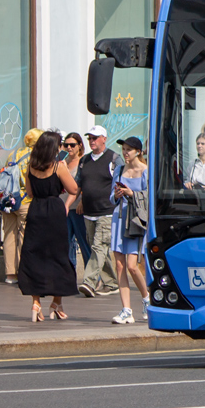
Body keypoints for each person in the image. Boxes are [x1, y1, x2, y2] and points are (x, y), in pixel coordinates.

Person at [17, 130, 79, 321]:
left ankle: (36, 303)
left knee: (35, 255)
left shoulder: (31, 167)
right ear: (54, 147)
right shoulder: (58, 166)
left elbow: (29, 191)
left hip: (36, 211)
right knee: (58, 256)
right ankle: (56, 302)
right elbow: (74, 189)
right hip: (54, 211)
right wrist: (65, 173)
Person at [74, 125, 120, 298]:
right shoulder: (84, 161)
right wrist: (72, 202)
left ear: (104, 139)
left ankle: (89, 282)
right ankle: (112, 283)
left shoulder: (114, 159)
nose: (92, 141)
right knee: (99, 248)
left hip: (106, 212)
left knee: (99, 246)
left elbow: (121, 181)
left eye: (95, 137)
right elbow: (78, 184)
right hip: (89, 212)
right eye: (90, 138)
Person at [110, 137, 150, 324]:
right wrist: (117, 195)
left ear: (138, 152)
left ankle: (146, 298)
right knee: (119, 265)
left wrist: (131, 194)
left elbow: (148, 198)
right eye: (124, 149)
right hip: (119, 218)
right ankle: (126, 309)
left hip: (134, 221)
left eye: (129, 150)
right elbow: (111, 197)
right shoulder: (119, 170)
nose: (125, 153)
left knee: (133, 266)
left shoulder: (145, 171)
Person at [1, 128, 41, 285]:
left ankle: (10, 275)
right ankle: (23, 272)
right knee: (24, 237)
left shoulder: (13, 154)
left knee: (9, 236)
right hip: (25, 201)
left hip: (8, 200)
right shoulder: (35, 157)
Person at [61, 133, 91, 269]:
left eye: (72, 145)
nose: (68, 148)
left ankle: (91, 278)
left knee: (84, 243)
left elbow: (87, 183)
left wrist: (83, 201)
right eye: (65, 145)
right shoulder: (62, 162)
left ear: (79, 146)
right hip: (63, 207)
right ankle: (69, 275)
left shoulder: (84, 161)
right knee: (66, 244)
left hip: (78, 208)